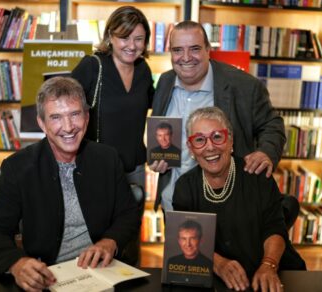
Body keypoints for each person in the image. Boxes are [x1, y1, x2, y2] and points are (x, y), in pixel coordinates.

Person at [0, 77, 140, 292]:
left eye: (75, 114)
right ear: (42, 123)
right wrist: (16, 264)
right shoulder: (17, 168)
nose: (68, 127)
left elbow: (128, 213)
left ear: (86, 117)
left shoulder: (107, 158)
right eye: (56, 117)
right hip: (47, 274)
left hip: (102, 272)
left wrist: (110, 241)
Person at [149, 20, 286, 213]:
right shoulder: (165, 82)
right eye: (178, 50)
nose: (186, 57)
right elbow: (160, 135)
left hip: (228, 206)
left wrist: (266, 152)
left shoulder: (243, 85)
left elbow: (272, 124)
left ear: (208, 50)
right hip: (174, 204)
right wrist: (157, 159)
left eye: (194, 49)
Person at [173, 107, 306, 291]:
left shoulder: (257, 175)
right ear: (191, 149)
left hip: (273, 273)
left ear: (230, 140)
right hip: (220, 279)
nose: (210, 146)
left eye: (217, 136)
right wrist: (217, 263)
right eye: (199, 140)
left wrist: (268, 265)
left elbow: (275, 227)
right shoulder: (185, 187)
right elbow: (183, 238)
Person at [71, 6, 155, 188]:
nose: (132, 46)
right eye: (124, 38)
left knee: (132, 217)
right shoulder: (92, 66)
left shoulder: (143, 69)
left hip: (136, 170)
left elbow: (158, 106)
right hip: (97, 168)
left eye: (139, 39)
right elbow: (61, 106)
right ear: (110, 36)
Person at [166, 220, 213, 286]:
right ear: (179, 241)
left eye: (192, 238)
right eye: (184, 239)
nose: (188, 244)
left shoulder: (208, 264)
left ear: (201, 240)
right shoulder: (172, 262)